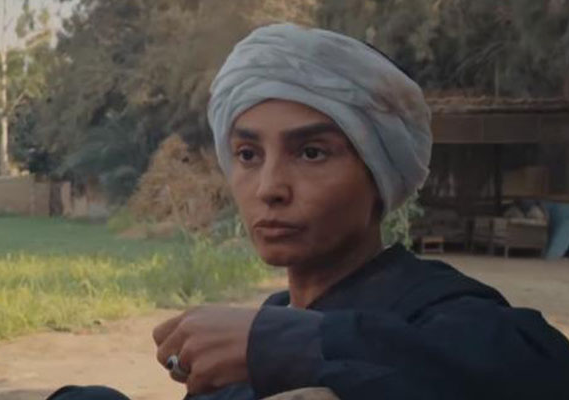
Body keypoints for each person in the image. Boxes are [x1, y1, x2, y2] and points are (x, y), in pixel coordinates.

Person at [48, 23, 569, 400]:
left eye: (312, 153)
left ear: (379, 174)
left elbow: (541, 371)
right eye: (247, 154)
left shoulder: (442, 311)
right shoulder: (264, 325)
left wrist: (281, 346)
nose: (269, 188)